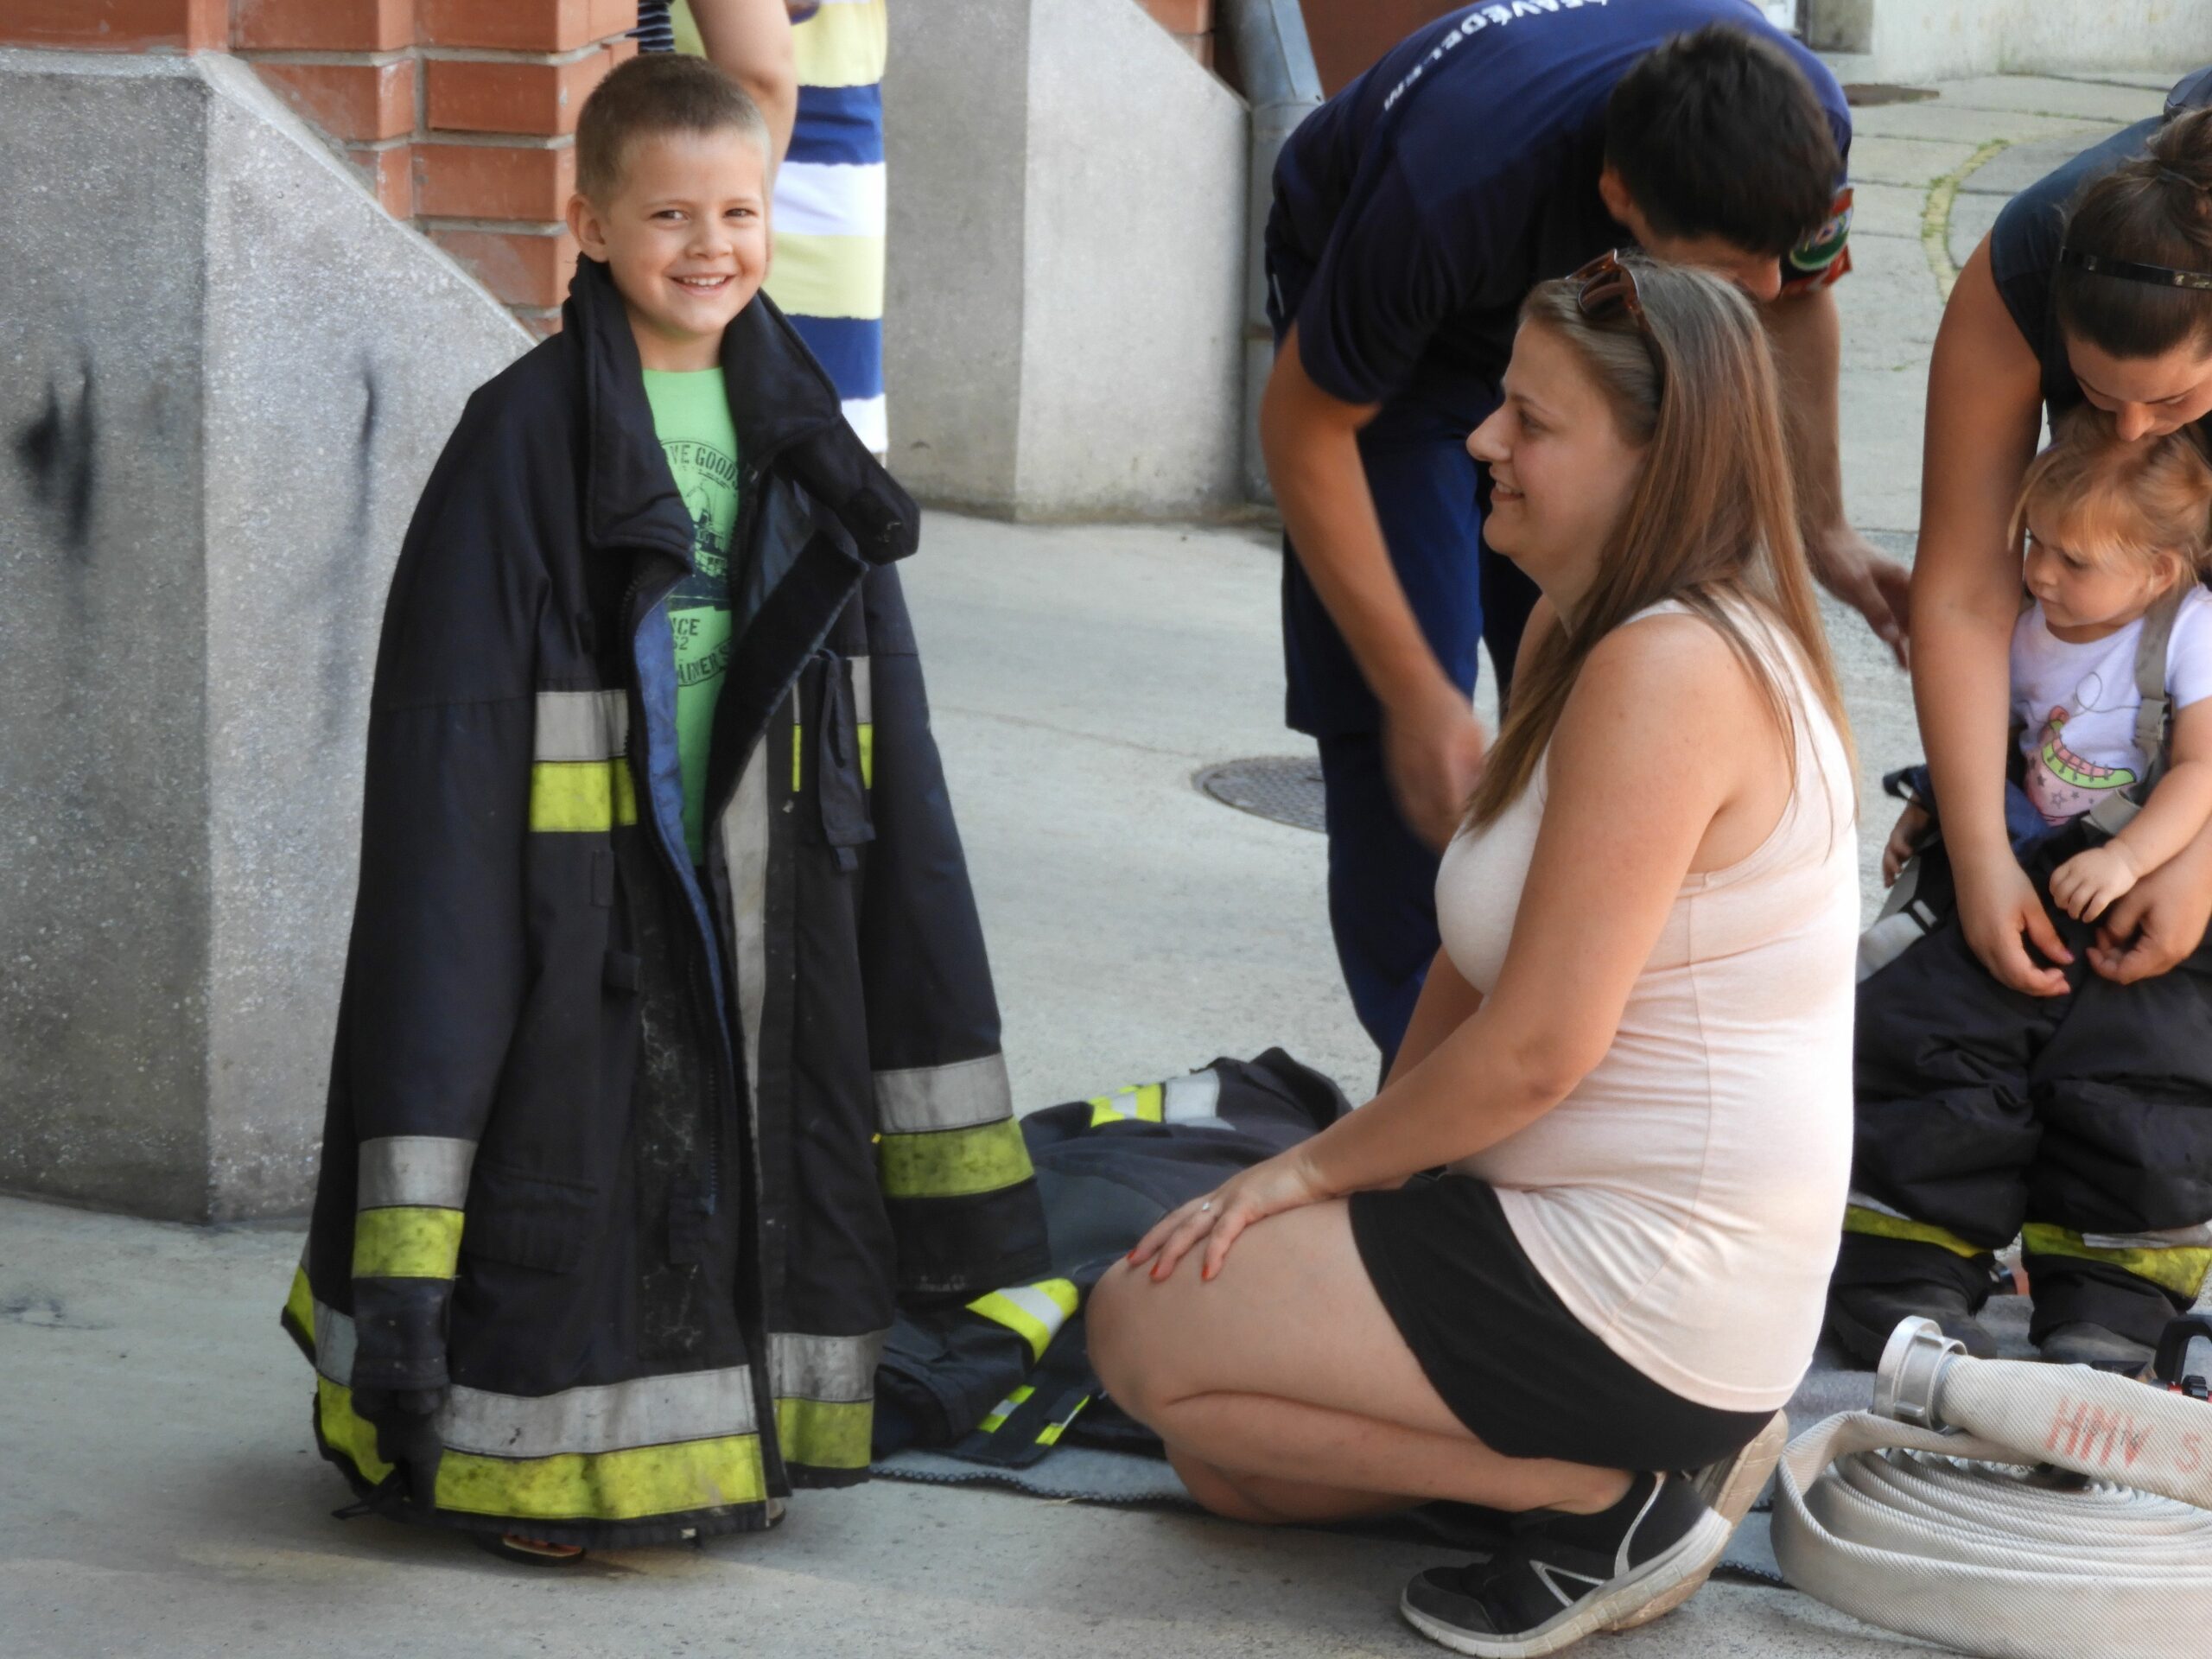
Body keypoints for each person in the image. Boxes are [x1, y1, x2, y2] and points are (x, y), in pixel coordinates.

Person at [281, 54, 1046, 1564]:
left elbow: (887, 726)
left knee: (746, 1172)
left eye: (742, 212)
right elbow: (451, 752)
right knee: (578, 1177)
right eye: (671, 215)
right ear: (588, 223)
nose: (712, 247)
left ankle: (724, 1443)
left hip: (771, 877)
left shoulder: (808, 438)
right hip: (575, 899)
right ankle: (532, 1473)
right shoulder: (517, 440)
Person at [1089, 256, 1859, 1657]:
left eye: (1533, 420)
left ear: (1658, 460)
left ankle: (1608, 1492)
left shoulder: (1673, 674)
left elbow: (1541, 1042)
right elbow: (1480, 952)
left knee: (1141, 1332)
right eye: (1502, 402)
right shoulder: (1594, 622)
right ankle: (1600, 1477)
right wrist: (1372, 1179)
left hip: (1648, 1288)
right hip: (1565, 1232)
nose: (1482, 440)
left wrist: (1312, 1171)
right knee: (1229, 1468)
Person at [1262, 3, 1899, 1069]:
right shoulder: (1444, 183)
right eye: (1723, 273)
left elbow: (1793, 307)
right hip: (1412, 351)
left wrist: (1824, 530)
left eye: (1767, 261)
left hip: (1589, 313)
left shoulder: (1802, 116)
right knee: (1402, 727)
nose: (1756, 295)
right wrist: (1417, 693)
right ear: (1617, 200)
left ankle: (1581, 1012)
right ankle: (1425, 1100)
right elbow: (1305, 429)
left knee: (1615, 652)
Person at [1833, 415, 2212, 1374]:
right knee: (1931, 1039)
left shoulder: (2192, 633)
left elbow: (2203, 770)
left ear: (2159, 572)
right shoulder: (2024, 614)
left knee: (2140, 1079)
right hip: (2015, 854)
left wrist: (2133, 865)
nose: (2041, 574)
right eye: (2033, 542)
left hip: (2143, 874)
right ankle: (1902, 1262)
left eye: (2072, 560)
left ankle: (2111, 1295)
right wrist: (1938, 810)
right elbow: (1987, 724)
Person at [1911, 78, 2212, 1011]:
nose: (2127, 433)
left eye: (2168, 403)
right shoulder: (2024, 263)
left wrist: (2196, 861)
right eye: (2091, 392)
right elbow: (1963, 590)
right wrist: (1976, 856)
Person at [668, 1, 892, 456]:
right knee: (823, 450)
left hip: (733, 123)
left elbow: (759, 72)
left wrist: (741, 210)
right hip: (756, 121)